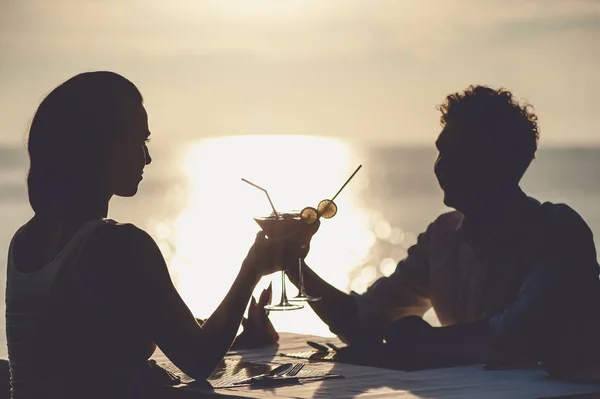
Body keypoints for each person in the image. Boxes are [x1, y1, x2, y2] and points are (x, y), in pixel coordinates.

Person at [5, 71, 282, 398]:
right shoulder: (118, 245)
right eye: (139, 140)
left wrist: (237, 338)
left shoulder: (25, 241)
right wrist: (253, 267)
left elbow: (79, 350)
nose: (147, 157)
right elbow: (198, 358)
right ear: (100, 145)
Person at [285, 85, 600, 372]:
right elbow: (362, 319)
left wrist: (420, 343)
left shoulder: (558, 233)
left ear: (498, 160)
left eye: (458, 152)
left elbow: (519, 336)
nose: (441, 165)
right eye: (441, 150)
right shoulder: (443, 236)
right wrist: (293, 264)